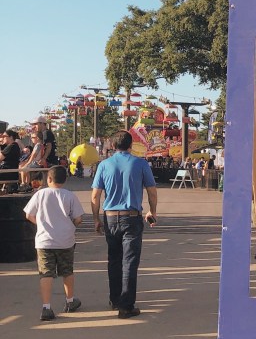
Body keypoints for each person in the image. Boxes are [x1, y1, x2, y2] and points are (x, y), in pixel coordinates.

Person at [90, 130, 158, 318]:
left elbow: (95, 196)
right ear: (131, 145)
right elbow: (152, 191)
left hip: (110, 217)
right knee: (129, 262)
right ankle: (126, 305)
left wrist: (96, 219)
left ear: (113, 146)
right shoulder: (141, 163)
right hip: (132, 217)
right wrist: (152, 211)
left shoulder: (104, 165)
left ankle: (115, 299)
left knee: (114, 259)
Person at [24, 165, 83, 321]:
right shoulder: (70, 196)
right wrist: (70, 225)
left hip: (44, 241)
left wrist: (40, 224)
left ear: (49, 179)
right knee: (67, 271)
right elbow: (78, 219)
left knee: (46, 273)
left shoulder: (40, 194)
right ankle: (70, 301)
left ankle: (46, 307)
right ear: (65, 180)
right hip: (65, 241)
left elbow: (29, 215)